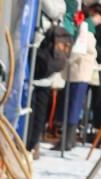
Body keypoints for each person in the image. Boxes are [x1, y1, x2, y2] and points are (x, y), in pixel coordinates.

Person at [25, 0, 70, 156]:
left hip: (37, 58)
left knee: (32, 108)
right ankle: (32, 145)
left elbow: (49, 8)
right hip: (50, 63)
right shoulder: (61, 7)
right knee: (41, 108)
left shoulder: (44, 6)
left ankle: (28, 145)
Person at [64, 5, 101, 146]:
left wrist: (68, 61)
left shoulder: (85, 26)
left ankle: (67, 141)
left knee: (73, 105)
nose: (100, 20)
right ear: (93, 13)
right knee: (75, 106)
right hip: (83, 70)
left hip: (77, 69)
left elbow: (78, 49)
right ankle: (69, 140)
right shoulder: (88, 28)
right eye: (99, 16)